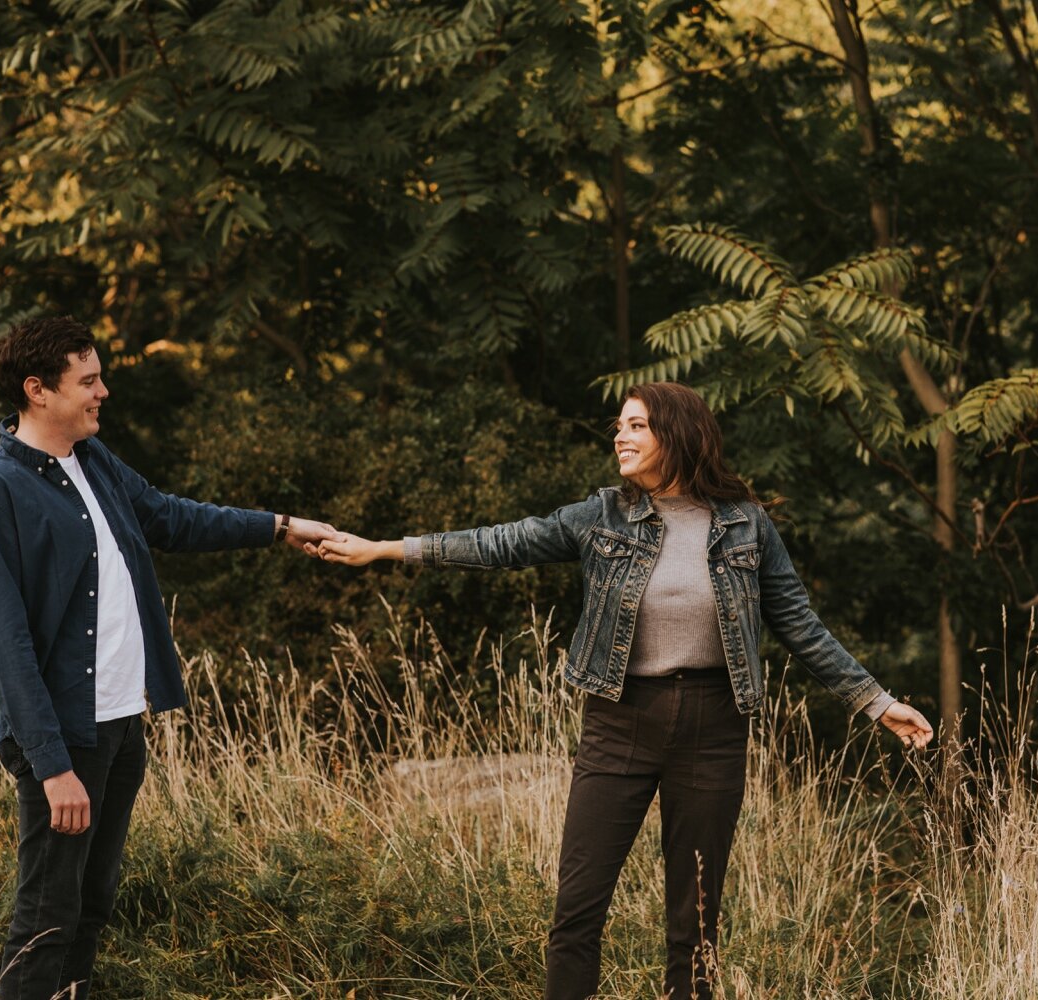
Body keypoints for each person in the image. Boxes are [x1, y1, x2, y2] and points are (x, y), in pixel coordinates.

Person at [316, 380, 933, 1000]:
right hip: (618, 721)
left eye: (636, 425)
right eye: (620, 425)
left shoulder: (747, 525)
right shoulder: (602, 515)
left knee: (694, 924)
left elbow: (799, 623)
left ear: (678, 433)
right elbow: (501, 542)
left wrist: (877, 703)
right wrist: (384, 549)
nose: (620, 436)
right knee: (577, 911)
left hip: (713, 730)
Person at [0, 316, 336, 1000]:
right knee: (45, 918)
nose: (104, 392)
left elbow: (170, 516)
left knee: (91, 906)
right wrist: (52, 766)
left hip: (123, 722)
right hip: (65, 738)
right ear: (38, 390)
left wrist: (280, 526)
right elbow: (4, 646)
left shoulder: (91, 459)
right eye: (89, 380)